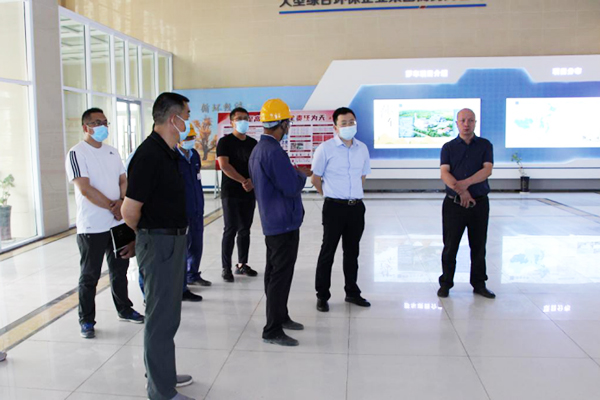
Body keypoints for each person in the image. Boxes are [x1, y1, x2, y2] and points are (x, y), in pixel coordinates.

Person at [122, 93, 195, 400]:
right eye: (186, 116)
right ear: (172, 119)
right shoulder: (148, 155)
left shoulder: (169, 153)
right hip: (159, 242)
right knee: (160, 317)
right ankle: (161, 391)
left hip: (172, 240)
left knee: (169, 315)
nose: (188, 122)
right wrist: (148, 236)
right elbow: (129, 211)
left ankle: (162, 372)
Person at [65, 108, 143, 340]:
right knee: (90, 275)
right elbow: (85, 188)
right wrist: (113, 206)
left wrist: (122, 202)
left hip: (117, 224)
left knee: (120, 270)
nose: (102, 126)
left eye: (105, 122)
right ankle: (87, 320)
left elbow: (123, 180)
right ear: (85, 127)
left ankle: (124, 309)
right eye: (96, 122)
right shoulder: (77, 153)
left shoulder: (112, 152)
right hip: (92, 226)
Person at [249, 99, 310, 347]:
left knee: (275, 272)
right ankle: (272, 329)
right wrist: (301, 174)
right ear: (282, 124)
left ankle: (281, 316)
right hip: (283, 222)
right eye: (288, 123)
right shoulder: (273, 151)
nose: (288, 127)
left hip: (273, 220)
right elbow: (291, 186)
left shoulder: (259, 149)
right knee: (279, 276)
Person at [311, 107, 371, 312]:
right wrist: (328, 195)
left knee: (352, 252)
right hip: (334, 208)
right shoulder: (325, 148)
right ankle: (322, 295)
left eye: (351, 122)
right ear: (335, 126)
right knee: (328, 251)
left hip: (356, 208)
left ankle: (352, 292)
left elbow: (362, 176)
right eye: (343, 123)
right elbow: (315, 178)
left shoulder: (362, 148)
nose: (348, 126)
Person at [438, 108, 495, 299]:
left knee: (478, 246)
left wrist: (465, 184)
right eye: (462, 120)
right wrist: (461, 191)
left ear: (475, 123)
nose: (466, 124)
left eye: (470, 120)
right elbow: (444, 173)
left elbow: (487, 170)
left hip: (479, 204)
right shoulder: (448, 147)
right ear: (456, 123)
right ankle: (446, 283)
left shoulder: (485, 145)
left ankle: (479, 284)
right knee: (450, 246)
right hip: (453, 205)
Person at [217, 107, 258, 282]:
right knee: (230, 229)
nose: (243, 121)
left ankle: (242, 264)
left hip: (248, 192)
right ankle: (226, 268)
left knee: (245, 230)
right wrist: (243, 180)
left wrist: (252, 182)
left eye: (246, 118)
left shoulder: (253, 143)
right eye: (239, 118)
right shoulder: (225, 142)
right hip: (231, 192)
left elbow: (257, 166)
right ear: (232, 121)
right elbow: (224, 165)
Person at [178, 130, 211, 302]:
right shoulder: (173, 157)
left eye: (192, 138)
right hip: (182, 210)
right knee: (182, 249)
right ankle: (181, 285)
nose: (190, 141)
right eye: (187, 138)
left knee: (196, 244)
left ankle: (193, 274)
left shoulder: (195, 155)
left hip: (197, 207)